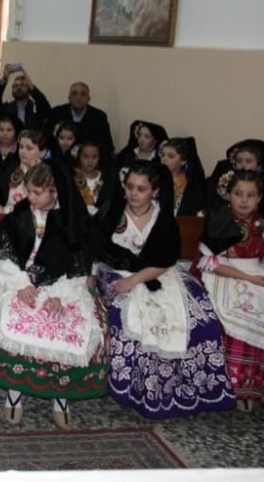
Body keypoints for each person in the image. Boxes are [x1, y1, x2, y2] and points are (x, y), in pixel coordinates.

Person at [0, 161, 107, 429]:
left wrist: (60, 295)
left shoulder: (71, 221)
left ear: (54, 192)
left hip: (62, 287)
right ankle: (15, 390)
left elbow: (78, 266)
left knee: (67, 326)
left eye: (36, 193)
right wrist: (21, 284)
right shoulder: (22, 214)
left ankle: (61, 394)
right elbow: (5, 253)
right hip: (21, 281)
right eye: (29, 191)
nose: (29, 198)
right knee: (16, 321)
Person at [92, 161, 236, 418]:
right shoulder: (112, 211)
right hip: (116, 271)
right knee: (129, 314)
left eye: (141, 189)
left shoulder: (163, 217)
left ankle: (185, 388)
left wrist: (136, 280)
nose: (134, 194)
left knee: (197, 316)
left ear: (155, 191)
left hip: (157, 272)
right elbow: (95, 246)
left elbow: (165, 259)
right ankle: (135, 386)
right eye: (130, 187)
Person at [195, 170, 264, 411]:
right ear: (229, 195)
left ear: (259, 198)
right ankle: (238, 388)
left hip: (258, 275)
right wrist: (247, 278)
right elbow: (208, 262)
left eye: (250, 195)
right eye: (238, 194)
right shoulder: (218, 221)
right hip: (226, 274)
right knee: (239, 314)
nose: (244, 200)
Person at [206, 139, 264, 220]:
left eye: (248, 161)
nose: (243, 165)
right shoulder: (225, 182)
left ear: (259, 166)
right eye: (239, 161)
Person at [0, 129, 49, 213]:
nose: (23, 151)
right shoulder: (9, 167)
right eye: (21, 147)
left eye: (29, 148)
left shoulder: (50, 172)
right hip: (8, 217)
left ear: (43, 152)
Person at [48, 82, 114, 157]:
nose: (78, 97)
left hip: (90, 158)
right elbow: (49, 139)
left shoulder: (99, 116)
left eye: (83, 94)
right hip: (61, 157)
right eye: (74, 93)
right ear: (69, 98)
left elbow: (108, 146)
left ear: (88, 99)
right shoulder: (57, 113)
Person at [0, 65, 51, 130]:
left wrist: (32, 88)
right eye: (15, 86)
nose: (18, 87)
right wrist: (4, 79)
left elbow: (46, 110)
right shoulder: (7, 109)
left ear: (29, 89)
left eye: (22, 85)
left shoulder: (35, 109)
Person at [159, 137, 207, 216]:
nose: (164, 159)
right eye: (163, 155)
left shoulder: (191, 185)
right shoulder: (155, 179)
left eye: (170, 156)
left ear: (183, 161)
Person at [74, 140, 116, 218]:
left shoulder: (105, 178)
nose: (90, 161)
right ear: (79, 156)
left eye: (94, 157)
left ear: (99, 157)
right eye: (85, 156)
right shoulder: (72, 176)